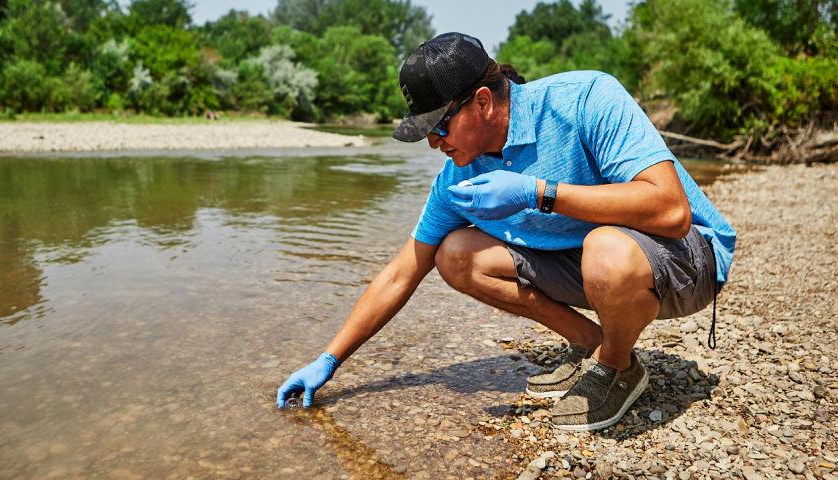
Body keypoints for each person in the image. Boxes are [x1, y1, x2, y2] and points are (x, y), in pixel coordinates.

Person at [276, 32, 736, 432]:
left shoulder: (586, 98)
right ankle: (592, 345)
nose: (434, 143)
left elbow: (672, 211)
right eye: (425, 133)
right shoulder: (458, 177)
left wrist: (538, 192)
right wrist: (330, 360)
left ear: (482, 101)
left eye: (439, 127)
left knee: (606, 249)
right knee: (453, 254)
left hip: (685, 260)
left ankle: (618, 368)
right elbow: (402, 272)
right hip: (592, 263)